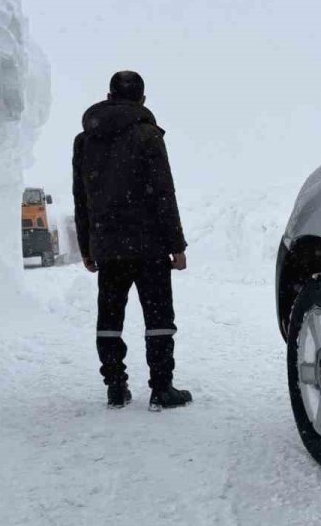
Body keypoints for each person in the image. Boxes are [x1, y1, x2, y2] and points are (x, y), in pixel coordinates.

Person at [72, 71, 193, 411]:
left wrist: (87, 247)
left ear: (109, 95)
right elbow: (163, 193)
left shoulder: (85, 140)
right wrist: (177, 245)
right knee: (158, 318)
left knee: (110, 317)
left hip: (109, 247)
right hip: (150, 245)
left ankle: (115, 386)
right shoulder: (147, 135)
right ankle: (161, 389)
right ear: (142, 99)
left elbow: (81, 197)